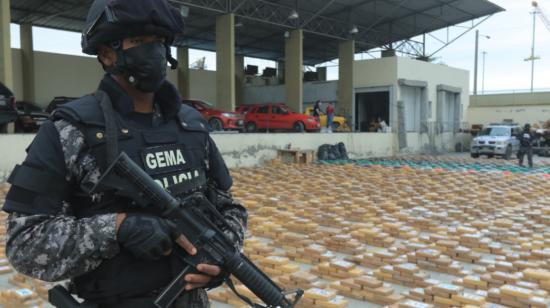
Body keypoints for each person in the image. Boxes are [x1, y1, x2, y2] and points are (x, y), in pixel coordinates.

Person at [2, 0, 247, 307]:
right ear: (107, 54)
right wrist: (116, 228)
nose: (155, 52)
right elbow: (25, 244)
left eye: (160, 42)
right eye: (140, 41)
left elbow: (230, 210)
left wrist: (222, 256)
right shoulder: (70, 130)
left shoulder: (191, 126)